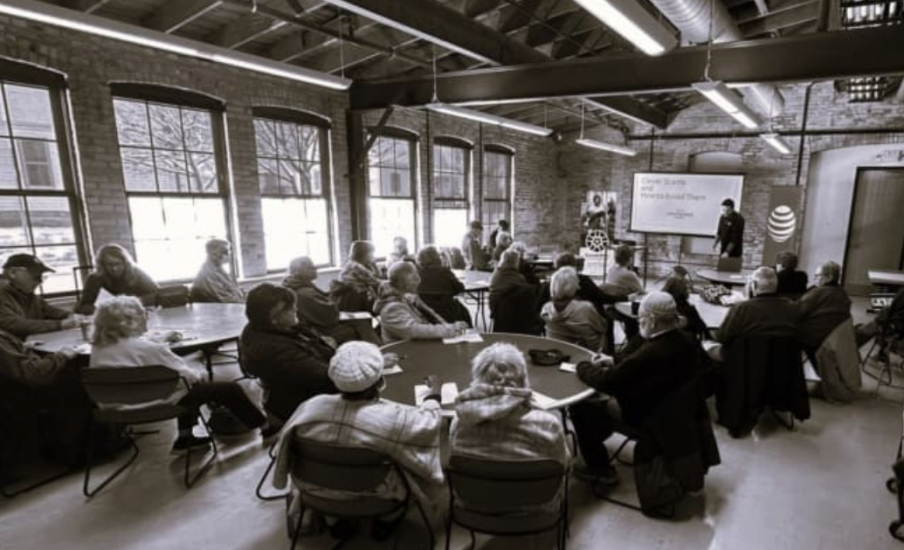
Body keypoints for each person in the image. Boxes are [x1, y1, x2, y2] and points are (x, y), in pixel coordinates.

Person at [272, 341, 444, 541]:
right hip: (373, 493)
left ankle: (334, 520)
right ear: (380, 381)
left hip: (313, 489)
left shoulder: (309, 406)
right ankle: (387, 520)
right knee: (410, 471)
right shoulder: (394, 417)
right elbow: (429, 424)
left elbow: (281, 449)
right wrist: (433, 395)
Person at [89, 296, 267, 453]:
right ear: (131, 320)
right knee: (222, 388)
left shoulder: (98, 348)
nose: (146, 317)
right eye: (144, 313)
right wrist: (199, 373)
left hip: (113, 410)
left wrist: (161, 339)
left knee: (184, 389)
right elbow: (189, 376)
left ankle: (185, 438)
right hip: (151, 407)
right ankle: (265, 426)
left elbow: (134, 348)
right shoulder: (149, 349)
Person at [569, 292, 703, 482]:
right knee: (598, 403)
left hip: (647, 419)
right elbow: (635, 364)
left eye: (640, 320)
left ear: (652, 320)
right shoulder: (687, 340)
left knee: (581, 407)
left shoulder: (651, 353)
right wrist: (614, 359)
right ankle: (600, 433)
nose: (639, 324)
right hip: (676, 414)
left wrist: (582, 366)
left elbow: (608, 382)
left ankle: (600, 469)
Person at [450, 342, 570, 510]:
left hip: (476, 503)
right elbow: (563, 464)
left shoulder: (461, 421)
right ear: (523, 380)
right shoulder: (548, 423)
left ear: (477, 382)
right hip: (536, 503)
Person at [239, 283, 339, 423]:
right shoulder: (273, 348)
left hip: (293, 392)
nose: (296, 309)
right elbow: (326, 377)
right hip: (304, 403)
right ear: (273, 317)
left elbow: (314, 340)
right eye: (290, 309)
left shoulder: (266, 327)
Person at [283, 256, 380, 345]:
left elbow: (321, 299)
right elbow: (328, 315)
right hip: (317, 329)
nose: (316, 269)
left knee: (360, 318)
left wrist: (334, 291)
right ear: (301, 271)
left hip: (316, 323)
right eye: (311, 268)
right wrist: (334, 297)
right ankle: (379, 351)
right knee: (362, 323)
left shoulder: (299, 284)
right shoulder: (304, 292)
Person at [373, 262, 468, 343]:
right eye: (415, 278)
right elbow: (415, 330)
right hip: (405, 353)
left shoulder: (403, 298)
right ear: (406, 284)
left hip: (414, 346)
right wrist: (452, 329)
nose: (418, 282)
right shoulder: (392, 308)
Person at [713, 267, 799, 351]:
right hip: (783, 361)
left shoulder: (742, 308)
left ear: (753, 285)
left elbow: (722, 337)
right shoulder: (792, 307)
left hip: (743, 360)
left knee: (707, 342)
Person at [0, 254, 79, 338]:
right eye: (36, 276)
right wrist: (60, 325)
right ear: (13, 273)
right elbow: (15, 325)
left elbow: (49, 311)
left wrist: (71, 316)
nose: (40, 281)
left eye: (41, 276)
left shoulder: (25, 293)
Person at [75, 244, 158, 315]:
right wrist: (106, 309)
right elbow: (83, 306)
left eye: (118, 264)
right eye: (109, 265)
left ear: (125, 263)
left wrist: (129, 303)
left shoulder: (137, 273)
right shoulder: (94, 278)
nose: (114, 268)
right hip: (107, 319)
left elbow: (156, 294)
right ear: (102, 265)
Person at [541, 267, 609, 353]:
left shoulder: (546, 308)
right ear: (574, 286)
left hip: (554, 354)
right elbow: (603, 327)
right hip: (585, 354)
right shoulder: (585, 308)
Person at [536, 252, 620, 316]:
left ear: (557, 266)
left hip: (554, 335)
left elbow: (537, 308)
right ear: (574, 265)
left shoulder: (547, 304)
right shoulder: (584, 282)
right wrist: (625, 298)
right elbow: (601, 297)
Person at [798, 261, 852, 356]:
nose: (814, 279)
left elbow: (797, 311)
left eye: (817, 276)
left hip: (814, 340)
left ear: (829, 277)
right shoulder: (843, 294)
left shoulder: (818, 293)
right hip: (835, 339)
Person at [416, 245, 472, 327]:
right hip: (449, 312)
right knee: (464, 311)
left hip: (425, 313)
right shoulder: (444, 271)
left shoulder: (417, 274)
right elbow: (459, 288)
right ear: (436, 257)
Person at [855, 282, 904, 364]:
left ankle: (850, 352)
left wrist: (879, 318)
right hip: (899, 330)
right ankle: (882, 355)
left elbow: (890, 309)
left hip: (894, 330)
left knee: (861, 329)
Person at [330, 241, 383, 312]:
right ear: (363, 254)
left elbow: (376, 278)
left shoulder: (351, 264)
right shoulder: (357, 267)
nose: (373, 256)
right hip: (355, 299)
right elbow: (376, 282)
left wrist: (374, 265)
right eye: (371, 253)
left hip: (355, 296)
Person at [190, 239, 244, 303]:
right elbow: (223, 299)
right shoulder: (207, 274)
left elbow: (233, 290)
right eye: (225, 252)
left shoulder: (219, 270)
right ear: (213, 253)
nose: (228, 255)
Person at [662, 276, 711, 341]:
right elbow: (704, 331)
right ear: (685, 291)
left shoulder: (661, 309)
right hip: (688, 345)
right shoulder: (689, 310)